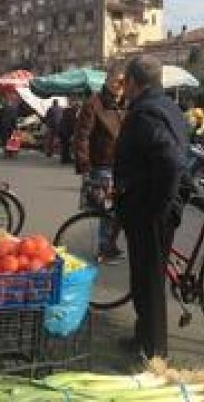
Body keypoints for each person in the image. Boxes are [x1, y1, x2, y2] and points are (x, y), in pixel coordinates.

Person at [114, 55, 189, 360]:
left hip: (150, 210)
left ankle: (154, 352)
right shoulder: (169, 106)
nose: (122, 89)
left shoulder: (145, 113)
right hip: (155, 203)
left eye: (124, 82)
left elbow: (170, 163)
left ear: (134, 82)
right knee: (146, 278)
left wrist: (157, 208)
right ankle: (143, 338)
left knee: (149, 280)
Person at [74, 65, 127, 261]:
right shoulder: (93, 104)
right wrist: (85, 165)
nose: (121, 86)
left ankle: (110, 244)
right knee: (106, 208)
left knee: (118, 208)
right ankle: (105, 247)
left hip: (121, 164)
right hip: (102, 164)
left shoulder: (124, 104)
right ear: (107, 81)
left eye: (124, 82)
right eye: (117, 81)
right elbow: (82, 136)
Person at [59, 100, 78, 164]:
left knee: (65, 146)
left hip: (63, 130)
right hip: (65, 131)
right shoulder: (71, 113)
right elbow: (72, 123)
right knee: (66, 145)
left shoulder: (67, 111)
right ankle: (65, 159)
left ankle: (65, 158)